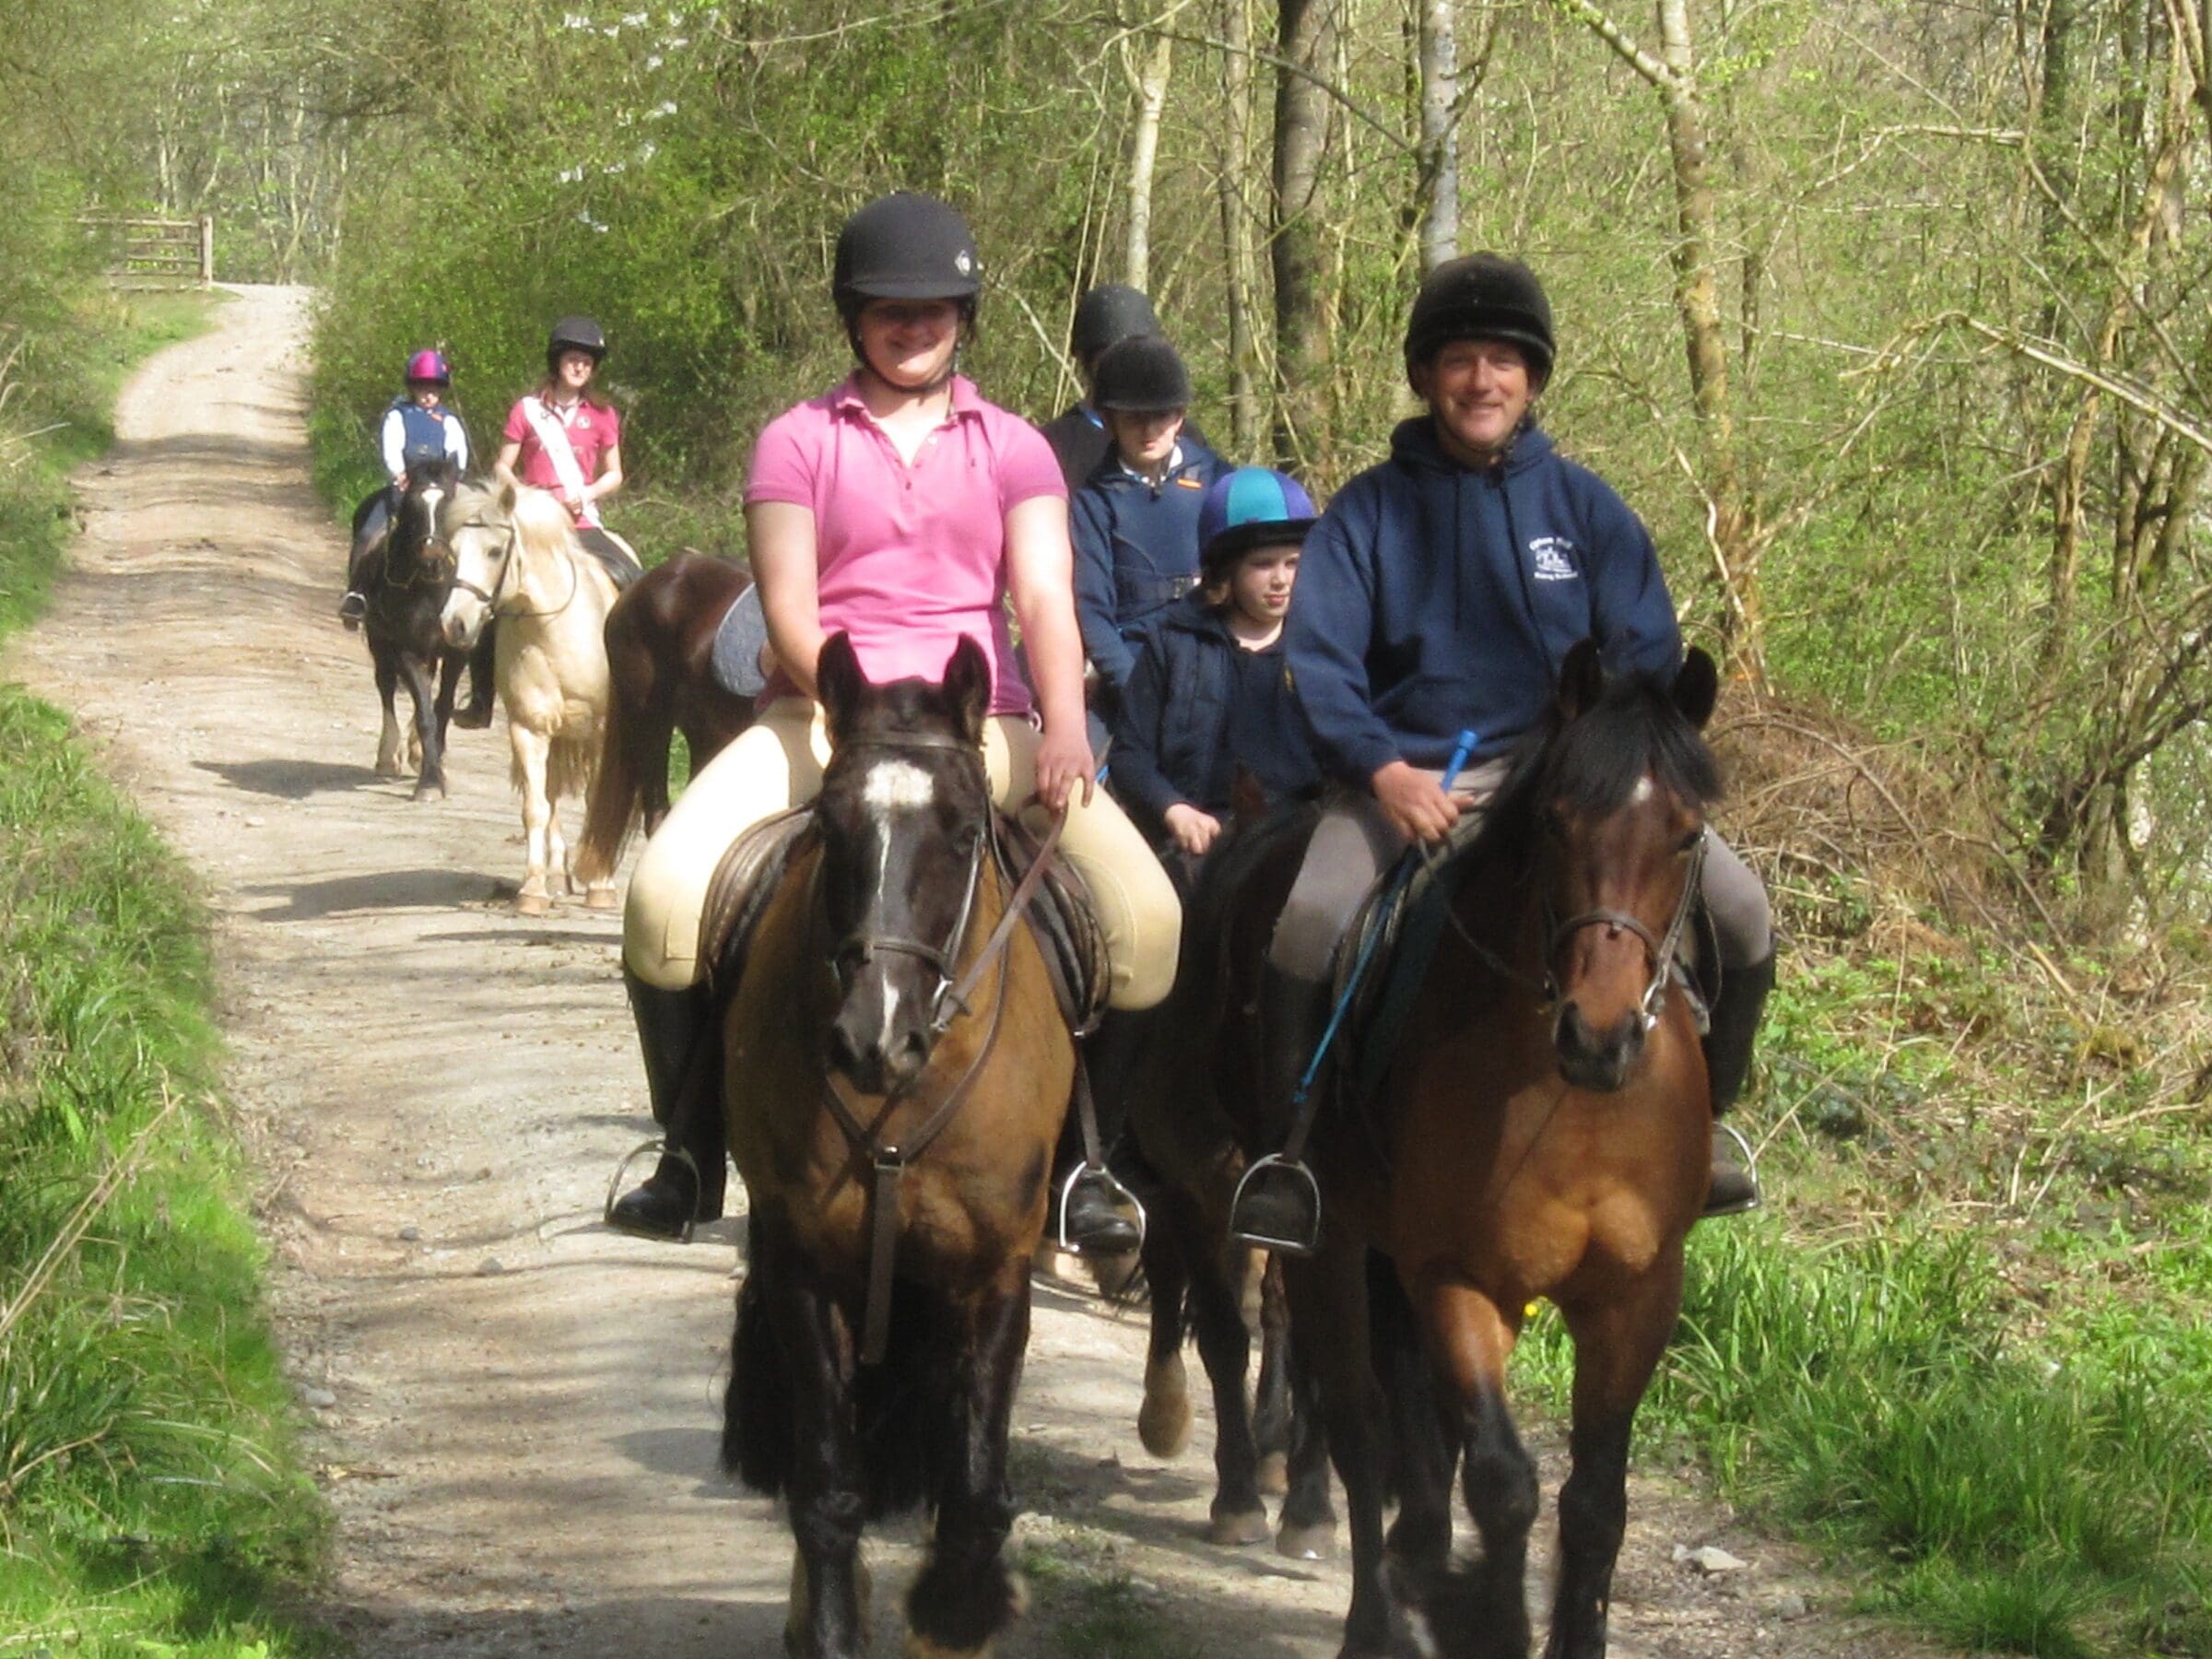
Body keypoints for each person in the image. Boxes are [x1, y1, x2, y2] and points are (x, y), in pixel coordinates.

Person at [606, 193, 1183, 1248]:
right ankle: (689, 1150)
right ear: (853, 317)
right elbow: (788, 603)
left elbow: (1047, 600)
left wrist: (1062, 725)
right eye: (887, 308)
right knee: (661, 899)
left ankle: (1080, 1169)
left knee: (1151, 922)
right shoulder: (796, 441)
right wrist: (838, 698)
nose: (911, 326)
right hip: (829, 716)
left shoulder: (1016, 449)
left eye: (932, 309)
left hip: (982, 721)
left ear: (963, 315)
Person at [1228, 253, 1777, 1253]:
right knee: (1308, 922)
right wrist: (1386, 773)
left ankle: (1714, 1127)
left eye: (1504, 362)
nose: (1482, 381)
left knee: (1742, 915)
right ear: (1427, 376)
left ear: (1533, 379)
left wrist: (1600, 760)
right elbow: (1321, 662)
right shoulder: (1368, 515)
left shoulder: (1591, 515)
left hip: (1576, 790)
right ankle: (1291, 1157)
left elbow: (1648, 659)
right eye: (1460, 360)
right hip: (1414, 781)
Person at [1110, 466, 1321, 878]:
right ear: (1226, 571)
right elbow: (1130, 755)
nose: (1280, 580)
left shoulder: (1323, 647)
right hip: (1196, 845)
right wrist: (1174, 810)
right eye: (1263, 564)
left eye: (1293, 563)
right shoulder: (1174, 640)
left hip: (1303, 843)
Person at [459, 316, 641, 727]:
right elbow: (502, 467)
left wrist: (588, 493)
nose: (580, 367)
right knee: (488, 599)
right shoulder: (527, 411)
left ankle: (634, 686)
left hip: (582, 523)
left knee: (631, 579)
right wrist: (527, 497)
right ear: (558, 361)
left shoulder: (602, 414)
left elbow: (614, 473)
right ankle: (482, 697)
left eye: (587, 362)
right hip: (534, 524)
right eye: (573, 359)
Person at [1071, 335, 1230, 716]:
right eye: (1133, 418)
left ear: (1179, 415)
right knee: (1073, 773)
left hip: (1217, 658)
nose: (1149, 430)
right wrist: (1136, 690)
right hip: (1136, 666)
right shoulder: (1092, 501)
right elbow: (1092, 612)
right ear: (1109, 420)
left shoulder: (1219, 479)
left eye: (1160, 416)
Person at [1037, 283, 1216, 492]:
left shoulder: (1185, 437)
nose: (1126, 366)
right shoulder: (1055, 446)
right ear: (1084, 357)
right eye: (1110, 356)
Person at [338, 349, 469, 625]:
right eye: (422, 387)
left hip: (440, 492)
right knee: (367, 535)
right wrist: (398, 473)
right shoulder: (398, 416)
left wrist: (450, 481)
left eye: (433, 387)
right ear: (412, 387)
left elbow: (458, 457)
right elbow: (392, 449)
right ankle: (357, 593)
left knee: (470, 538)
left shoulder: (450, 421)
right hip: (406, 491)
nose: (428, 393)